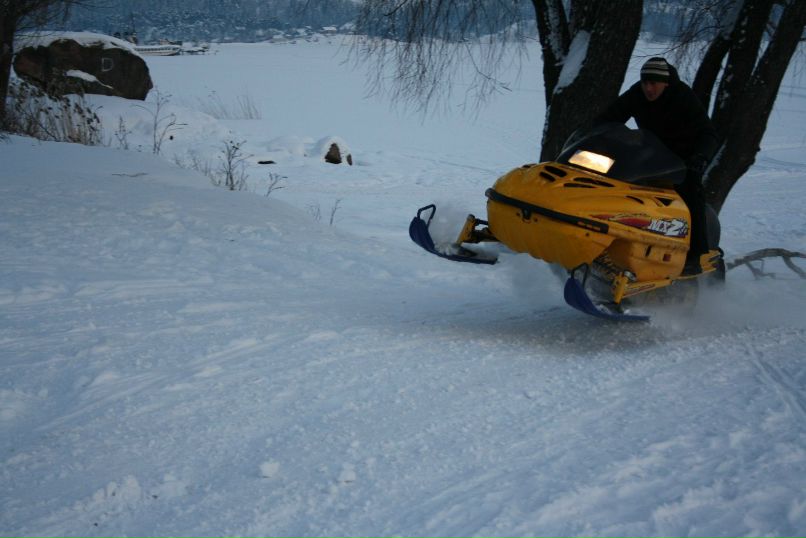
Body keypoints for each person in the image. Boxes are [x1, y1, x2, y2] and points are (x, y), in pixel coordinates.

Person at [595, 57, 720, 275]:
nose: (648, 88)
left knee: (691, 194)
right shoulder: (637, 94)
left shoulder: (682, 96)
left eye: (653, 83)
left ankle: (695, 256)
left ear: (666, 83)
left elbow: (707, 132)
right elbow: (610, 118)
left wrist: (701, 157)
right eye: (645, 83)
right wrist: (598, 134)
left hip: (684, 160)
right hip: (651, 156)